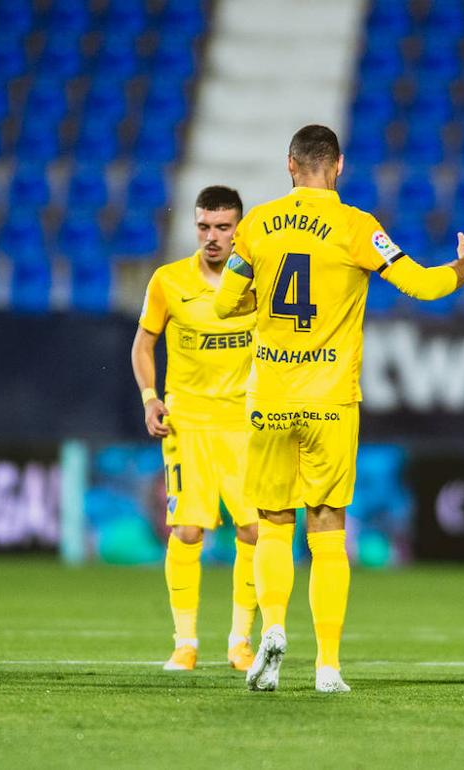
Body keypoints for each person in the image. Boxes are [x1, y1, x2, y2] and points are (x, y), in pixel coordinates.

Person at [215, 124, 464, 693]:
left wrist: (258, 301)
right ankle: (327, 667)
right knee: (327, 528)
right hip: (330, 399)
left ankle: (271, 629)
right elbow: (421, 285)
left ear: (290, 164)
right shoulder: (357, 227)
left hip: (269, 396)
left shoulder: (256, 226)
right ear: (337, 165)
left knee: (271, 523)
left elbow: (224, 305)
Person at [132, 185, 260, 672]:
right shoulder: (168, 280)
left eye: (223, 227)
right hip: (187, 422)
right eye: (204, 226)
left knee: (252, 528)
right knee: (186, 529)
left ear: (238, 230)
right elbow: (143, 345)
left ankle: (239, 642)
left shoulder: (257, 284)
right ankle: (184, 642)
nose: (212, 237)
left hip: (244, 424)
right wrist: (150, 398)